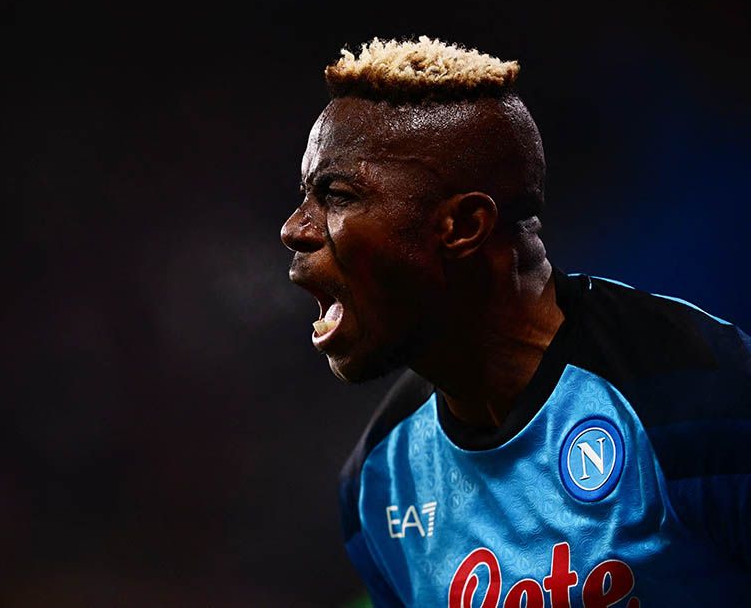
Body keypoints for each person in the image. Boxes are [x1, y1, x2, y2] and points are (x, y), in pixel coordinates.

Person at [280, 36, 751, 606]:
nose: (295, 229)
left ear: (464, 226)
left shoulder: (699, 397)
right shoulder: (379, 482)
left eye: (335, 193)